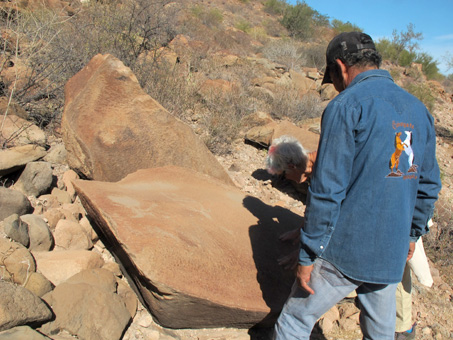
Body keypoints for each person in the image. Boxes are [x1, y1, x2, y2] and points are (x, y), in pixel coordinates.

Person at [265, 31, 441, 340]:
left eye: (331, 77)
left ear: (340, 67)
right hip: (391, 250)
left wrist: (308, 254)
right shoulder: (419, 110)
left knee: (293, 322)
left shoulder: (346, 106)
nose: (334, 86)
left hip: (344, 251)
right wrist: (411, 234)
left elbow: (327, 189)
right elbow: (428, 185)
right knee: (381, 333)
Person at [267, 136, 435, 340]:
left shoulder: (327, 163)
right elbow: (325, 206)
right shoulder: (320, 158)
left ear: (292, 165)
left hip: (386, 225)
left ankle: (403, 329)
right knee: (379, 324)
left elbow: (336, 208)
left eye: (284, 175)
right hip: (393, 223)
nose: (286, 180)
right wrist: (302, 230)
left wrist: (306, 253)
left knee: (295, 319)